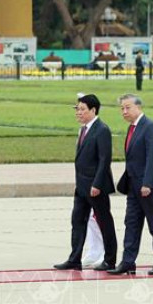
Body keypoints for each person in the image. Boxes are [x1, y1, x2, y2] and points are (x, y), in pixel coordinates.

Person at [54, 94, 118, 271]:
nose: (78, 113)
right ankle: (75, 259)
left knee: (104, 221)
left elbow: (104, 160)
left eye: (82, 109)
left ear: (93, 110)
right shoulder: (83, 129)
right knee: (77, 221)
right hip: (81, 186)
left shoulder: (102, 129)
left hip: (96, 187)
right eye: (77, 109)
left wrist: (97, 185)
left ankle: (110, 260)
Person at [108, 94, 153, 275]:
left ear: (138, 107)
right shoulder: (132, 128)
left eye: (127, 107)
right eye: (122, 108)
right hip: (133, 186)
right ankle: (128, 262)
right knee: (131, 223)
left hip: (147, 186)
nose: (124, 111)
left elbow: (152, 158)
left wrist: (147, 183)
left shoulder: (149, 126)